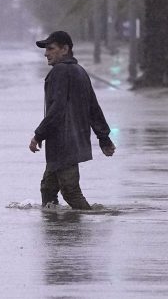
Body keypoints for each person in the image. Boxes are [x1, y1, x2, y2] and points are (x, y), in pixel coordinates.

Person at [29, 31, 116, 210]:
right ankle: (56, 228)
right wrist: (104, 138)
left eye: (51, 48)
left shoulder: (59, 72)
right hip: (74, 141)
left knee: (70, 191)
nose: (46, 53)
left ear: (65, 49)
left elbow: (57, 109)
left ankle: (80, 232)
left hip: (63, 143)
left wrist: (38, 135)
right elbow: (94, 108)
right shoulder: (80, 71)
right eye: (46, 49)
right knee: (48, 188)